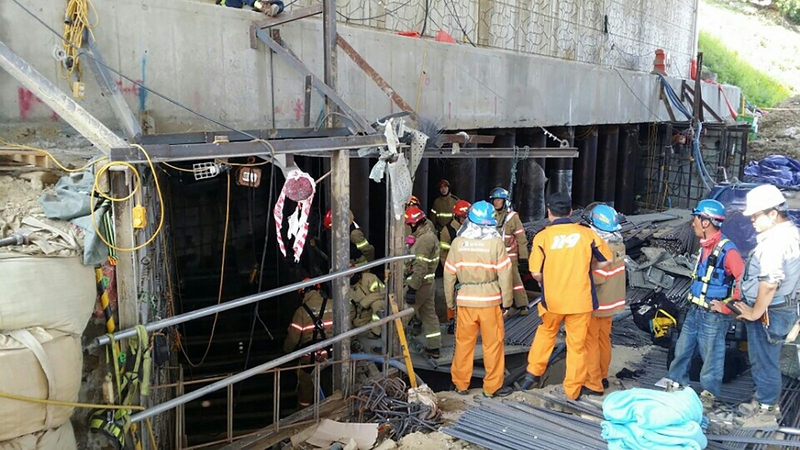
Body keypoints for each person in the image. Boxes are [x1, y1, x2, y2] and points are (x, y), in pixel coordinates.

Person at [519, 192, 611, 400]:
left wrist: (548, 279)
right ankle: (572, 391)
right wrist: (586, 267)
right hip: (580, 301)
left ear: (549, 212)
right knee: (577, 347)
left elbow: (535, 273)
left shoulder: (543, 236)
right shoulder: (586, 234)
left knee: (546, 332)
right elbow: (606, 260)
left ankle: (533, 372)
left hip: (553, 300)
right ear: (570, 211)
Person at [731, 184, 800, 430]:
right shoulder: (791, 234)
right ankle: (763, 402)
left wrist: (754, 312)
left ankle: (767, 413)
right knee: (764, 360)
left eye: (755, 215)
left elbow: (770, 283)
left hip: (771, 312)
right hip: (781, 309)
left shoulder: (775, 243)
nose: (752, 221)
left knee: (765, 362)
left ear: (773, 213)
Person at [665, 199, 743, 410]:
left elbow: (742, 282)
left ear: (706, 222)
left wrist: (727, 307)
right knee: (682, 349)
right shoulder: (704, 247)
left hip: (713, 315)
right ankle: (676, 383)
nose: (693, 223)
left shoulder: (729, 251)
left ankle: (708, 394)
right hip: (695, 310)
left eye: (696, 219)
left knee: (711, 355)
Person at [444, 201, 514, 398]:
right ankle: (491, 388)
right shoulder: (496, 244)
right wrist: (507, 302)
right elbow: (505, 275)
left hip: (465, 301)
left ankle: (460, 385)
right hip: (490, 301)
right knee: (493, 345)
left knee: (464, 344)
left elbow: (449, 274)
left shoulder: (458, 244)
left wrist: (450, 303)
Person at [583, 204, 628, 396]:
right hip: (613, 302)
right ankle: (602, 376)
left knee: (590, 341)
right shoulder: (619, 244)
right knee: (603, 340)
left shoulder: (602, 247)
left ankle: (593, 384)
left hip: (598, 303)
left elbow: (598, 278)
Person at [283, 281, 333, 408]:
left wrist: (286, 352)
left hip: (310, 360)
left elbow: (293, 339)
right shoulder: (333, 304)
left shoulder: (301, 312)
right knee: (331, 387)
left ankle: (306, 417)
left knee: (305, 391)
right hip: (332, 356)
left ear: (303, 293)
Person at [404, 206, 442, 358]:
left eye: (409, 224)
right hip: (428, 284)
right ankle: (434, 348)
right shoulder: (426, 235)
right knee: (429, 315)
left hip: (420, 285)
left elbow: (420, 267)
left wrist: (412, 288)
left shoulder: (425, 240)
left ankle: (391, 348)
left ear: (414, 223)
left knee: (401, 316)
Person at [489, 187, 530, 316]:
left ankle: (522, 304)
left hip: (509, 255)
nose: (496, 202)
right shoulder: (489, 216)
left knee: (514, 279)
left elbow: (521, 238)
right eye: (494, 200)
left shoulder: (512, 217)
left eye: (499, 200)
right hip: (493, 255)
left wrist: (523, 258)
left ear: (505, 201)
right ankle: (500, 305)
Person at [440, 200, 471, 331]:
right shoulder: (447, 230)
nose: (465, 220)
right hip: (453, 267)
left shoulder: (472, 229)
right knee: (451, 293)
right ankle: (452, 320)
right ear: (457, 216)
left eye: (467, 217)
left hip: (468, 268)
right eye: (463, 217)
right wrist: (448, 269)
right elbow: (443, 252)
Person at [350, 269, 386, 339]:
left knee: (376, 304)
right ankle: (375, 325)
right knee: (357, 323)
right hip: (366, 310)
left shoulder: (370, 278)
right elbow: (351, 309)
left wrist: (363, 303)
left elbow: (382, 293)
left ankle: (376, 332)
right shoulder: (348, 289)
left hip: (382, 303)